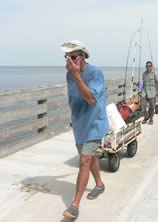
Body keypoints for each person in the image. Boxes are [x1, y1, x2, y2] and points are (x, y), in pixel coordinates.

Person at [61, 40, 108, 220]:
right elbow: (73, 99)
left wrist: (77, 75)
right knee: (90, 157)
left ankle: (75, 205)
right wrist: (73, 119)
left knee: (85, 160)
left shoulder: (96, 73)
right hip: (79, 124)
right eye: (66, 58)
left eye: (72, 57)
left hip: (95, 123)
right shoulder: (68, 75)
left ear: (82, 57)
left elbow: (91, 99)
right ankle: (99, 184)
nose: (69, 61)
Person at [141, 61, 158, 125]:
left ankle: (151, 118)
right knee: (142, 106)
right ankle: (146, 117)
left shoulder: (155, 74)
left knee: (151, 107)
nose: (148, 67)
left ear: (152, 66)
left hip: (152, 92)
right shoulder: (144, 74)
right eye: (147, 66)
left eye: (149, 66)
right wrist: (140, 90)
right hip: (144, 92)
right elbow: (143, 84)